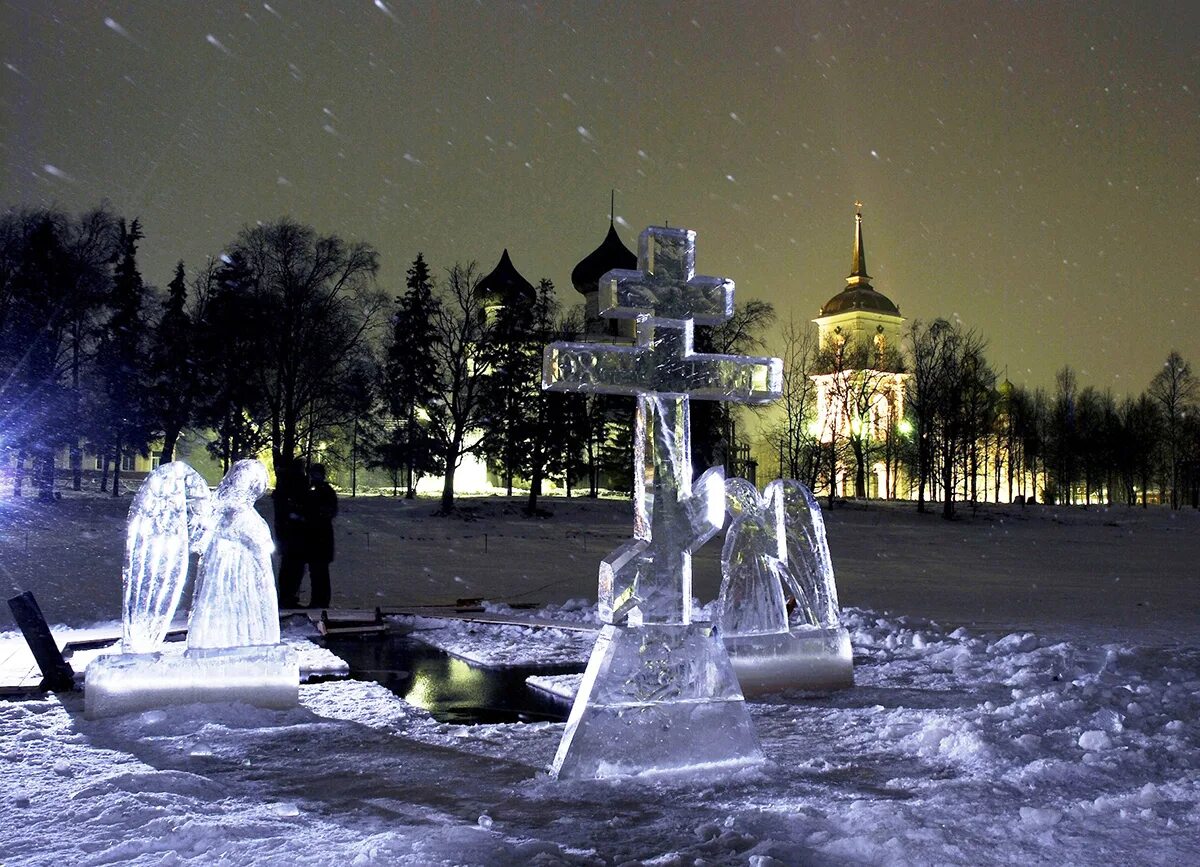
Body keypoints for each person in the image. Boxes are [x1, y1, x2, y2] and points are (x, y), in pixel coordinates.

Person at [274, 457, 308, 609]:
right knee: (293, 567)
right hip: (294, 534)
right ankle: (289, 596)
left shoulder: (285, 484)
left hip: (289, 533)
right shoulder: (296, 483)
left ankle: (287, 595)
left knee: (290, 567)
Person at [305, 463, 338, 610]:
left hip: (321, 538)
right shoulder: (311, 490)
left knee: (320, 571)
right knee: (316, 571)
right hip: (315, 538)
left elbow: (329, 511)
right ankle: (317, 600)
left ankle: (321, 601)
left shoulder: (325, 491)